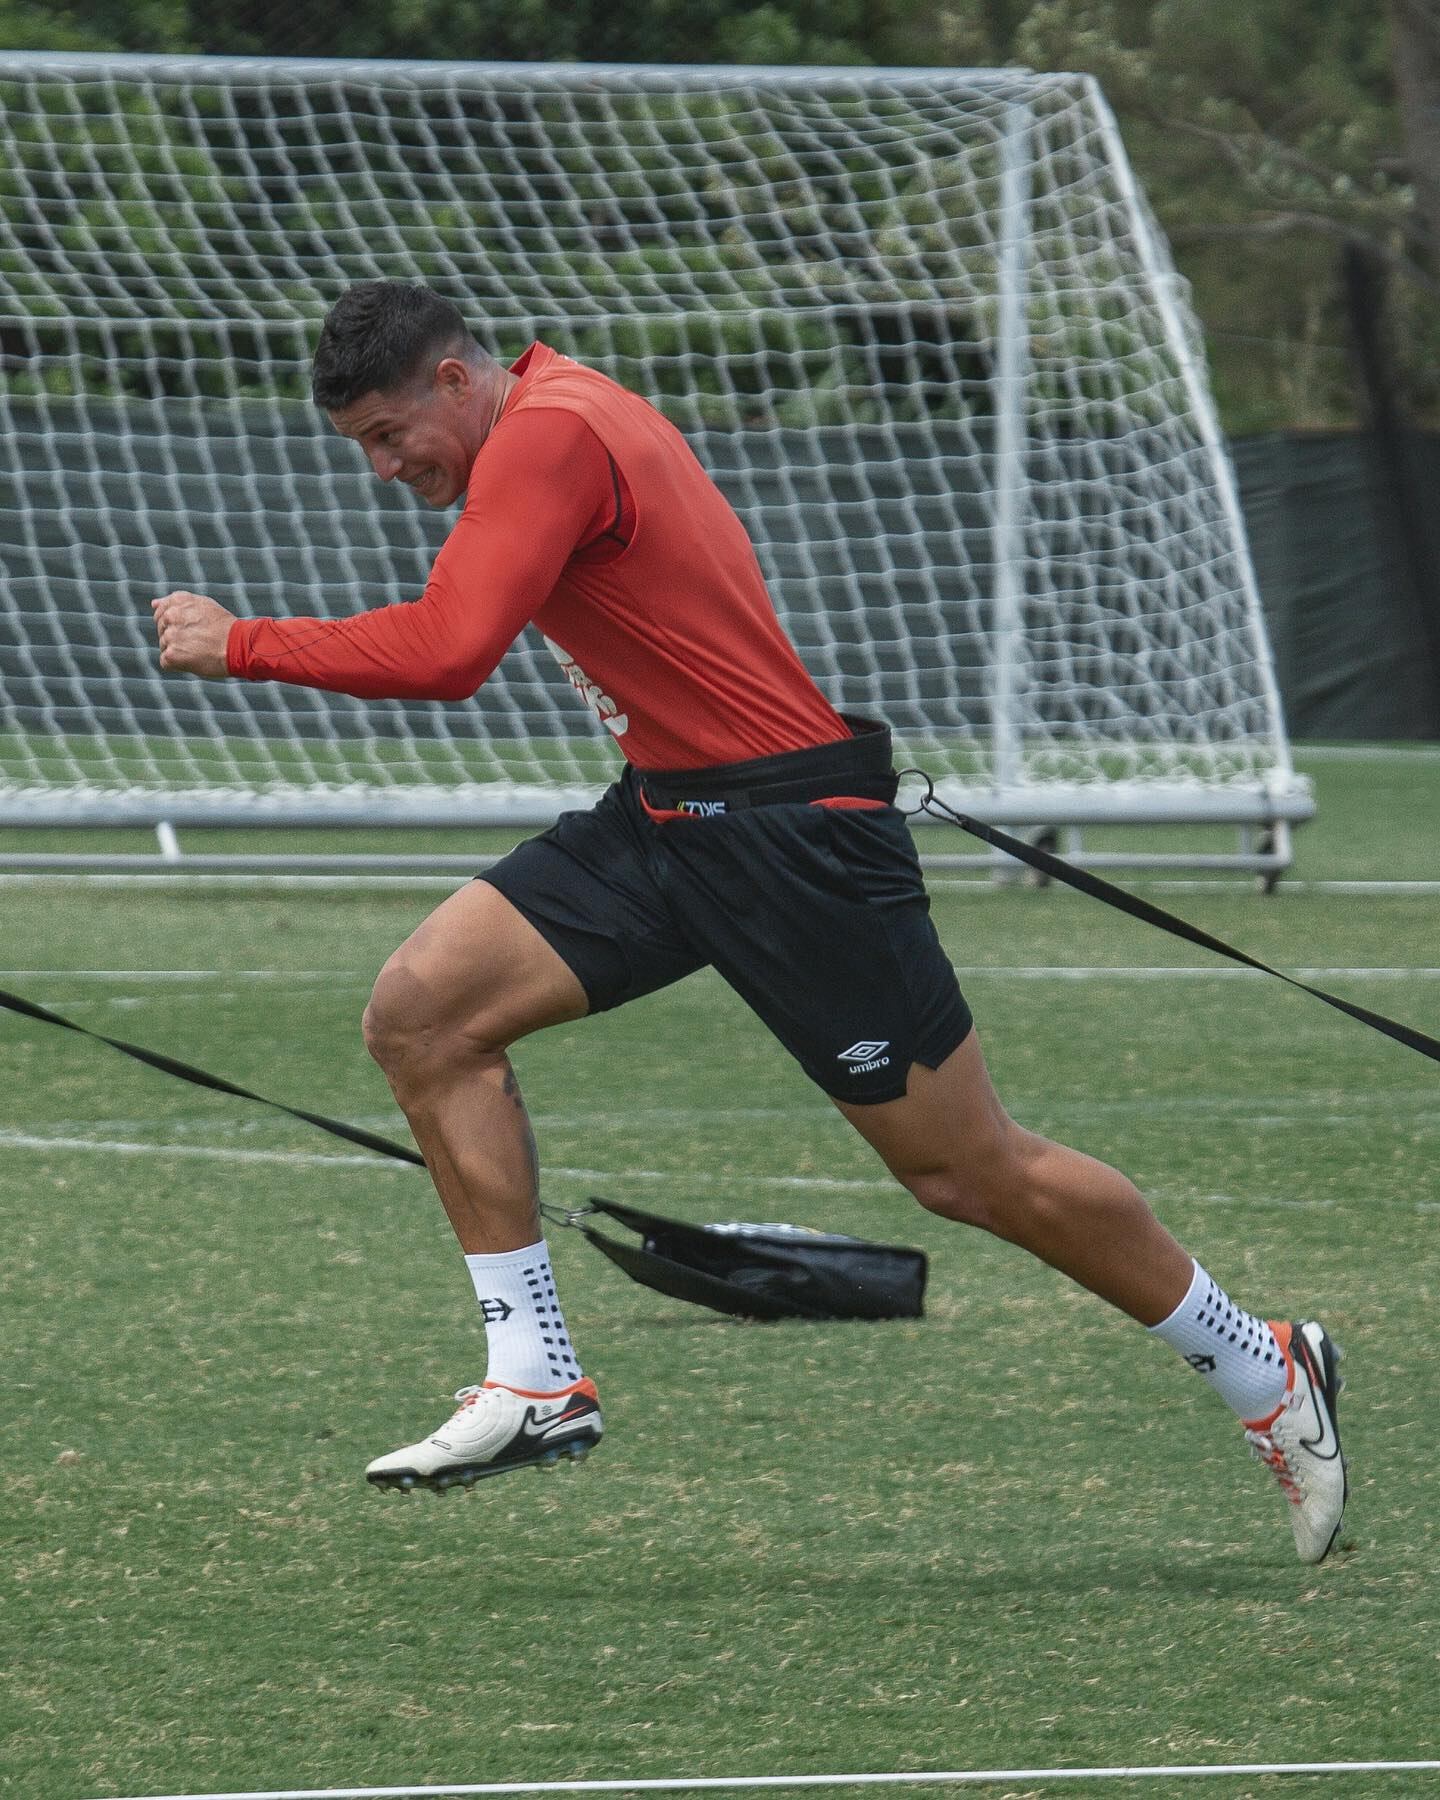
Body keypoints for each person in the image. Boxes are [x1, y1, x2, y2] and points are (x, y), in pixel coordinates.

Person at [152, 280, 1346, 1563]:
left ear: (458, 379)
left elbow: (452, 650)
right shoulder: (537, 420)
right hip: (667, 818)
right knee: (423, 1017)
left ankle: (1263, 1366)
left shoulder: (552, 430)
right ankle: (535, 1377)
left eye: (392, 437)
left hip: (790, 836)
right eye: (364, 452)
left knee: (964, 1169)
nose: (387, 469)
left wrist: (248, 643)